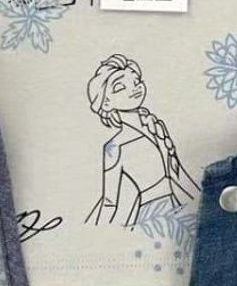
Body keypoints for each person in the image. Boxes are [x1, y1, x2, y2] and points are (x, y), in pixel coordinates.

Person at [85, 55, 200, 227]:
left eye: (136, 80)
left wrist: (208, 204)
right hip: (152, 215)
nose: (134, 87)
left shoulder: (156, 127)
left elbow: (178, 176)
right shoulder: (114, 147)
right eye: (120, 87)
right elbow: (109, 202)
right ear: (106, 103)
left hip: (176, 208)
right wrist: (94, 233)